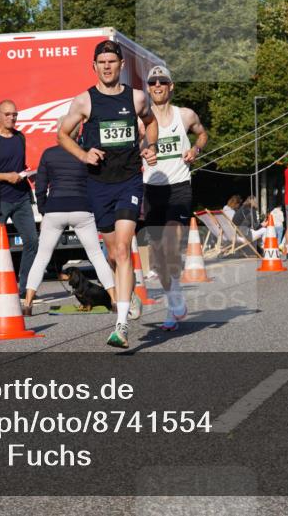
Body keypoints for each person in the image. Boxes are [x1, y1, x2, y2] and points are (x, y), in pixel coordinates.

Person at [58, 39, 158, 349]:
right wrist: (83, 154)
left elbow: (151, 122)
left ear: (121, 65)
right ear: (94, 66)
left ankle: (121, 325)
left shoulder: (137, 98)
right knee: (113, 254)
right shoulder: (84, 102)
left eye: (112, 62)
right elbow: (62, 134)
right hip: (99, 185)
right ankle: (129, 294)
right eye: (101, 62)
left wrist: (150, 146)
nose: (107, 67)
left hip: (129, 181)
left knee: (124, 249)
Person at [21, 122, 117, 317]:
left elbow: (40, 186)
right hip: (82, 208)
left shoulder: (49, 154)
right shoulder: (86, 153)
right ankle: (114, 300)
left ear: (60, 132)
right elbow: (96, 183)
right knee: (96, 255)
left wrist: (44, 209)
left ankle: (28, 304)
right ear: (78, 132)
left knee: (42, 257)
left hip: (55, 208)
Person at [139, 65, 208, 332]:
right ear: (148, 88)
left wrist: (195, 149)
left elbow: (202, 134)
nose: (157, 85)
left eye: (162, 81)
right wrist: (141, 154)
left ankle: (172, 306)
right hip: (151, 189)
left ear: (171, 86)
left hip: (179, 187)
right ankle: (174, 300)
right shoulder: (141, 120)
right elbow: (130, 150)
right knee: (158, 258)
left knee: (170, 242)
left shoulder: (185, 115)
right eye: (153, 82)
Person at [0, 99, 39, 298]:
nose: (12, 118)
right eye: (8, 114)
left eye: (15, 114)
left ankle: (24, 289)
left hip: (22, 199)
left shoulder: (20, 138)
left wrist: (27, 174)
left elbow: (18, 165)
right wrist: (5, 176)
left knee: (32, 242)